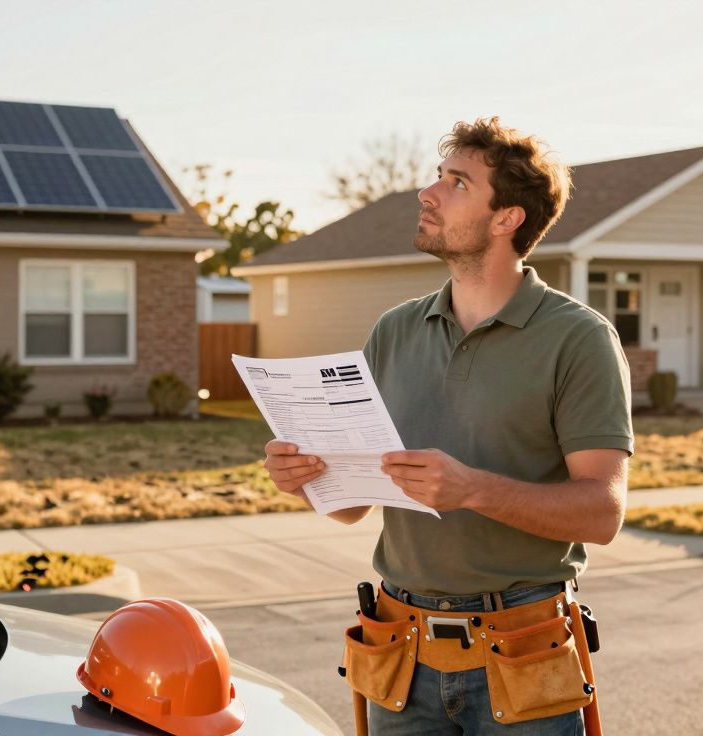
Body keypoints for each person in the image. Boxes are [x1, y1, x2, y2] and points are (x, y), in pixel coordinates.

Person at [264, 117, 633, 735]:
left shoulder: (578, 338)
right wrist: (305, 479)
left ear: (507, 218)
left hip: (524, 650)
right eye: (439, 177)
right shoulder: (396, 331)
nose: (428, 193)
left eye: (456, 183)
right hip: (399, 653)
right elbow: (354, 507)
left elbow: (602, 513)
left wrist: (472, 490)